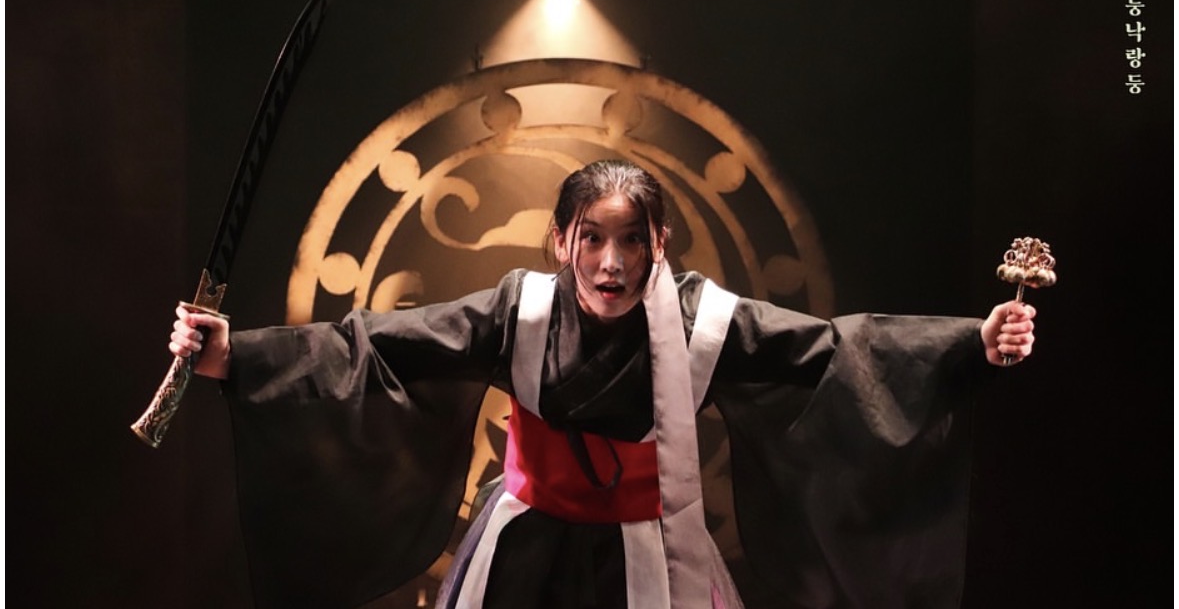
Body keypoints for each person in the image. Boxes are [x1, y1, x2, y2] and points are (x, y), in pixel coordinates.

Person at [170, 160, 1035, 609]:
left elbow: (838, 352)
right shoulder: (517, 312)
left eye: (630, 241)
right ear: (560, 241)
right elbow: (375, 347)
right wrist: (234, 356)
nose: (610, 263)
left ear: (661, 243)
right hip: (522, 559)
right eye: (591, 238)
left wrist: (972, 344)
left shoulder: (706, 322)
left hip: (654, 558)